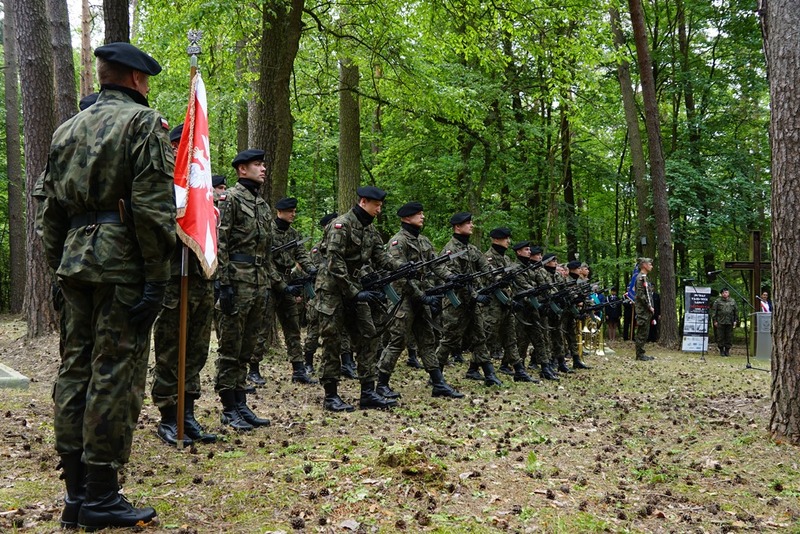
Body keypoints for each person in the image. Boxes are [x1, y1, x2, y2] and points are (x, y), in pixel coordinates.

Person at [40, 42, 172, 530]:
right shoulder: (143, 123)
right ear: (136, 79)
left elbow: (50, 212)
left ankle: (75, 495)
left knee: (74, 370)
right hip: (122, 265)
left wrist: (58, 269)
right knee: (114, 371)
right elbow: (153, 208)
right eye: (146, 79)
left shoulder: (66, 129)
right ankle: (101, 495)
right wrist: (156, 277)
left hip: (75, 261)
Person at [150, 124, 217, 448]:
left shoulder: (201, 187)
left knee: (196, 350)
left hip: (200, 279)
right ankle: (168, 415)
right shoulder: (165, 184)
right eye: (184, 148)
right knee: (170, 350)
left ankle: (187, 412)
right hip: (174, 280)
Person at [315, 186, 404, 411]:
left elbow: (381, 257)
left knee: (368, 336)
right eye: (377, 205)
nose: (379, 210)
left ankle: (368, 392)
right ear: (363, 201)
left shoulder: (370, 230)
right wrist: (354, 292)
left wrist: (403, 268)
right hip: (332, 289)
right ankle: (331, 396)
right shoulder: (341, 225)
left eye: (381, 206)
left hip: (355, 288)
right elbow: (334, 263)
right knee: (332, 340)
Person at [214, 149, 276, 431]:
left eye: (263, 165)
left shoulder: (261, 204)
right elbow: (221, 241)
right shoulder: (230, 199)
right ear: (242, 169)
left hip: (258, 281)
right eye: (257, 165)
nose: (263, 169)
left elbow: (267, 248)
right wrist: (223, 284)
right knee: (231, 346)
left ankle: (241, 403)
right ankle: (229, 407)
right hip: (237, 282)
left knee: (247, 348)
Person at [376, 202, 465, 399]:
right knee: (397, 341)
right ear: (407, 218)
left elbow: (436, 265)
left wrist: (451, 277)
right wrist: (422, 296)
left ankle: (438, 383)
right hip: (403, 298)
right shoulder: (398, 242)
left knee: (427, 340)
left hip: (420, 297)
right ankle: (381, 384)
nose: (423, 217)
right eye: (419, 214)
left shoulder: (423, 241)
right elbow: (400, 275)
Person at [251, 197, 318, 384]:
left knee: (293, 328)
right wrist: (282, 286)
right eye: (290, 211)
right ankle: (253, 369)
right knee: (263, 329)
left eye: (294, 211)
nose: (293, 215)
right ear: (279, 212)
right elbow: (267, 262)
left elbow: (301, 254)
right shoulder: (268, 232)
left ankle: (299, 370)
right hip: (270, 285)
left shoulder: (294, 234)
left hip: (288, 284)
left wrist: (312, 269)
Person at [434, 212, 503, 386]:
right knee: (449, 339)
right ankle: (435, 375)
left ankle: (489, 374)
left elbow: (487, 269)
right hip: (456, 303)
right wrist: (476, 296)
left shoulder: (472, 249)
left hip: (472, 302)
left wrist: (499, 279)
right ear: (457, 227)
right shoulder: (450, 250)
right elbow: (457, 281)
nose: (472, 225)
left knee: (480, 337)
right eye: (468, 223)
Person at [484, 228, 536, 382]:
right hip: (493, 304)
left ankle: (519, 371)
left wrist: (512, 299)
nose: (508, 241)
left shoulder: (506, 259)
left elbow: (511, 282)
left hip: (507, 303)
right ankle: (474, 367)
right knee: (487, 338)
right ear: (496, 239)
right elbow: (492, 280)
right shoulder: (488, 258)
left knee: (511, 338)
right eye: (505, 238)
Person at [634, 257, 655, 361]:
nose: (651, 266)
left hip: (645, 310)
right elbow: (641, 295)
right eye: (650, 264)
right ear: (644, 265)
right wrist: (649, 306)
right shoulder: (640, 278)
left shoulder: (645, 277)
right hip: (643, 310)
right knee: (642, 333)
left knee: (644, 332)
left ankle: (641, 353)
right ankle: (640, 354)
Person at [710, 288, 738, 356]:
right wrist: (715, 320)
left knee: (729, 337)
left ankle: (727, 350)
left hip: (730, 321)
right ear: (721, 294)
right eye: (723, 293)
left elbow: (736, 311)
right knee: (720, 336)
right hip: (720, 321)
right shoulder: (718, 301)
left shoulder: (732, 301)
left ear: (728, 293)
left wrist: (735, 320)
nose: (725, 294)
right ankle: (721, 350)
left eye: (726, 292)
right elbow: (714, 312)